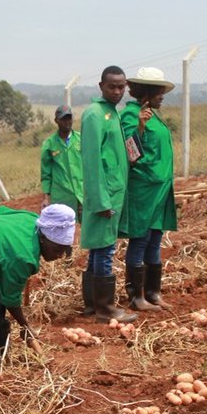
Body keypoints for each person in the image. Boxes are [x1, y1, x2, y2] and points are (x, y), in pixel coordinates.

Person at [0, 204, 75, 381]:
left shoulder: (31, 220)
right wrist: (24, 325)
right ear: (43, 238)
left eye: (65, 250)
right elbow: (11, 299)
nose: (60, 255)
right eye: (58, 249)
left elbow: (0, 212)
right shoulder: (24, 257)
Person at [80, 65, 136, 323]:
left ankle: (93, 304)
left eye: (121, 86)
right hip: (105, 196)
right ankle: (105, 308)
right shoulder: (94, 114)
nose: (117, 91)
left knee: (99, 248)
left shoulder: (112, 113)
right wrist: (101, 200)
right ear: (101, 86)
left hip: (113, 192)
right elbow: (91, 161)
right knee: (104, 249)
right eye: (112, 86)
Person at [120, 67, 178, 311]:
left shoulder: (153, 114)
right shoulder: (132, 115)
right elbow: (128, 152)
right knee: (141, 240)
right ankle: (136, 297)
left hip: (159, 190)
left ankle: (153, 293)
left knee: (155, 240)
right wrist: (140, 128)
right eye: (159, 91)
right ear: (147, 92)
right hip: (143, 189)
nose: (163, 95)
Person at [40, 105, 83, 215]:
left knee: (86, 227)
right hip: (61, 196)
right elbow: (46, 174)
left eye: (69, 118)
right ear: (56, 121)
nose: (67, 122)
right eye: (63, 119)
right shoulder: (49, 144)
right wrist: (45, 197)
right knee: (64, 227)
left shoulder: (81, 139)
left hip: (82, 193)